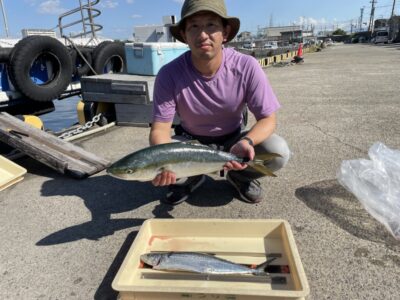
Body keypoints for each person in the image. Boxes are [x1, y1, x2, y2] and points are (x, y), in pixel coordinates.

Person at [150, 0, 290, 205]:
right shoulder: (169, 74)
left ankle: (238, 177)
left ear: (225, 32)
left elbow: (268, 119)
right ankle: (191, 177)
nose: (202, 34)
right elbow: (159, 130)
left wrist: (247, 142)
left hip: (233, 140)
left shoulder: (246, 66)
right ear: (184, 35)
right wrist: (164, 163)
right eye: (194, 26)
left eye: (211, 25)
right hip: (191, 143)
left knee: (279, 151)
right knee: (160, 161)